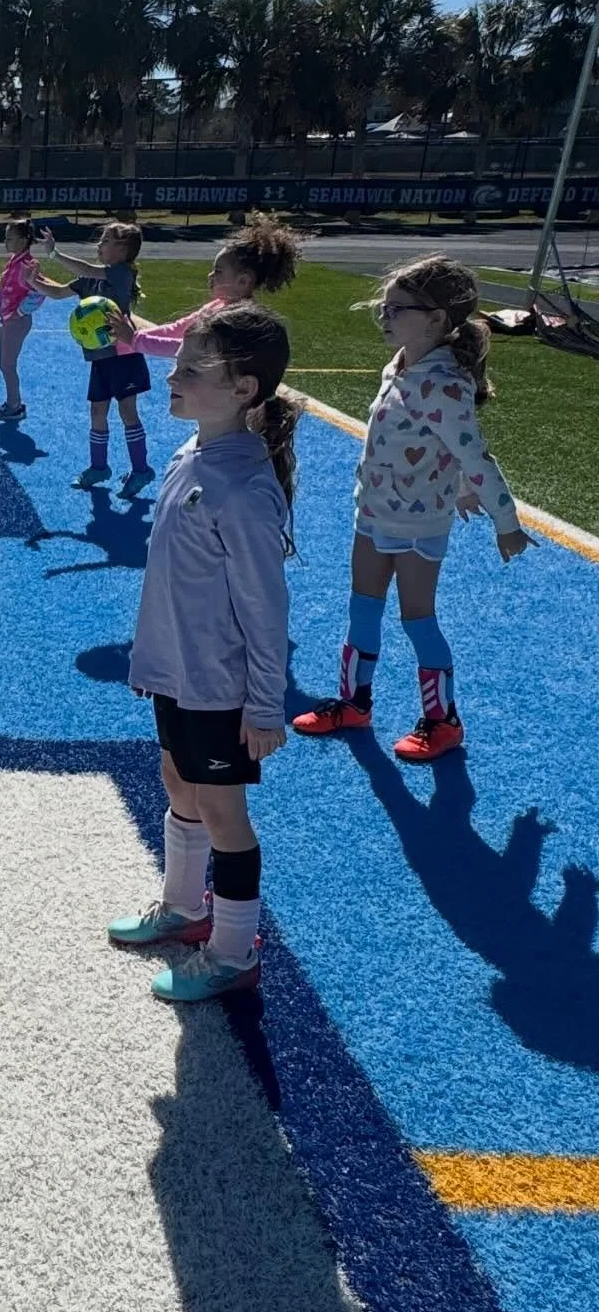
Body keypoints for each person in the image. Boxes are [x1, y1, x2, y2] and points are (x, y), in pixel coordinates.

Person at [107, 302, 301, 1001]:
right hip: (177, 672)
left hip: (219, 682)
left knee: (224, 814)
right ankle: (185, 907)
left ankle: (233, 950)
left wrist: (265, 705)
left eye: (192, 370)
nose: (173, 377)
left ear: (244, 388)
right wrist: (152, 659)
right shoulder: (191, 455)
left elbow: (265, 610)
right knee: (178, 782)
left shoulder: (243, 488)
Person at [292, 255, 531, 764]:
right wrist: (458, 487)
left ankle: (443, 721)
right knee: (362, 607)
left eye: (396, 308)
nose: (384, 315)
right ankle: (354, 704)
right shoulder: (400, 364)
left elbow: (474, 455)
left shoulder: (444, 385)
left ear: (436, 319)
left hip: (419, 524)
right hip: (374, 512)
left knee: (417, 618)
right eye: (384, 306)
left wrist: (506, 524)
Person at [40, 221, 153, 494]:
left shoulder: (122, 273)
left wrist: (55, 254)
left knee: (127, 412)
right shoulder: (90, 281)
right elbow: (58, 292)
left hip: (124, 355)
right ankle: (99, 467)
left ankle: (141, 470)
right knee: (97, 412)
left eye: (105, 241)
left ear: (123, 249)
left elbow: (89, 269)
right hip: (100, 358)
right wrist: (32, 280)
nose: (99, 245)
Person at [108, 213, 304, 360]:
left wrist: (135, 340)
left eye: (218, 271)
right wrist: (128, 339)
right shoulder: (216, 306)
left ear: (243, 281)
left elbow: (187, 348)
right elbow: (178, 329)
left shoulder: (237, 323)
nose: (210, 276)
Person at [0, 217, 69, 420]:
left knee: (7, 364)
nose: (6, 242)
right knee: (3, 363)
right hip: (9, 320)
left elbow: (39, 292)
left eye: (10, 238)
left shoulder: (27, 265)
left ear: (24, 240)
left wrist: (19, 312)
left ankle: (14, 406)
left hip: (16, 321)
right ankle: (13, 402)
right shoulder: (15, 261)